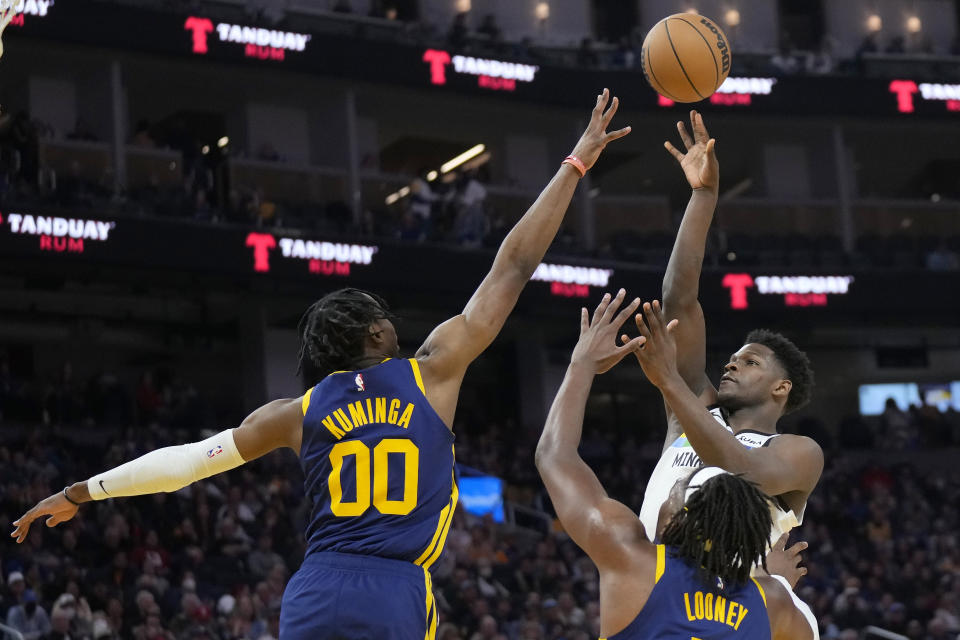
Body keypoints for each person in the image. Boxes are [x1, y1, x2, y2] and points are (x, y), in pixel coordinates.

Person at [10, 90, 632, 640]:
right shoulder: (433, 369)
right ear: (375, 332)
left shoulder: (297, 414)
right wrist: (575, 165)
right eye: (383, 315)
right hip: (394, 590)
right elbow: (513, 266)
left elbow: (182, 466)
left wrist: (78, 492)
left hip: (313, 590)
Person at [535, 291, 818, 638]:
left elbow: (554, 454)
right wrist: (776, 584)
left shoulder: (630, 559)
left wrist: (582, 363)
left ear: (676, 518)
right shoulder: (773, 605)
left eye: (679, 490)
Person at [632, 111, 823, 546]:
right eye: (733, 359)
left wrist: (669, 384)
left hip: (724, 610)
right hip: (651, 595)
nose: (730, 366)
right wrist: (704, 195)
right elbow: (679, 301)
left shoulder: (798, 452)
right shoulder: (694, 411)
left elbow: (741, 468)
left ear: (781, 388)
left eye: (750, 362)